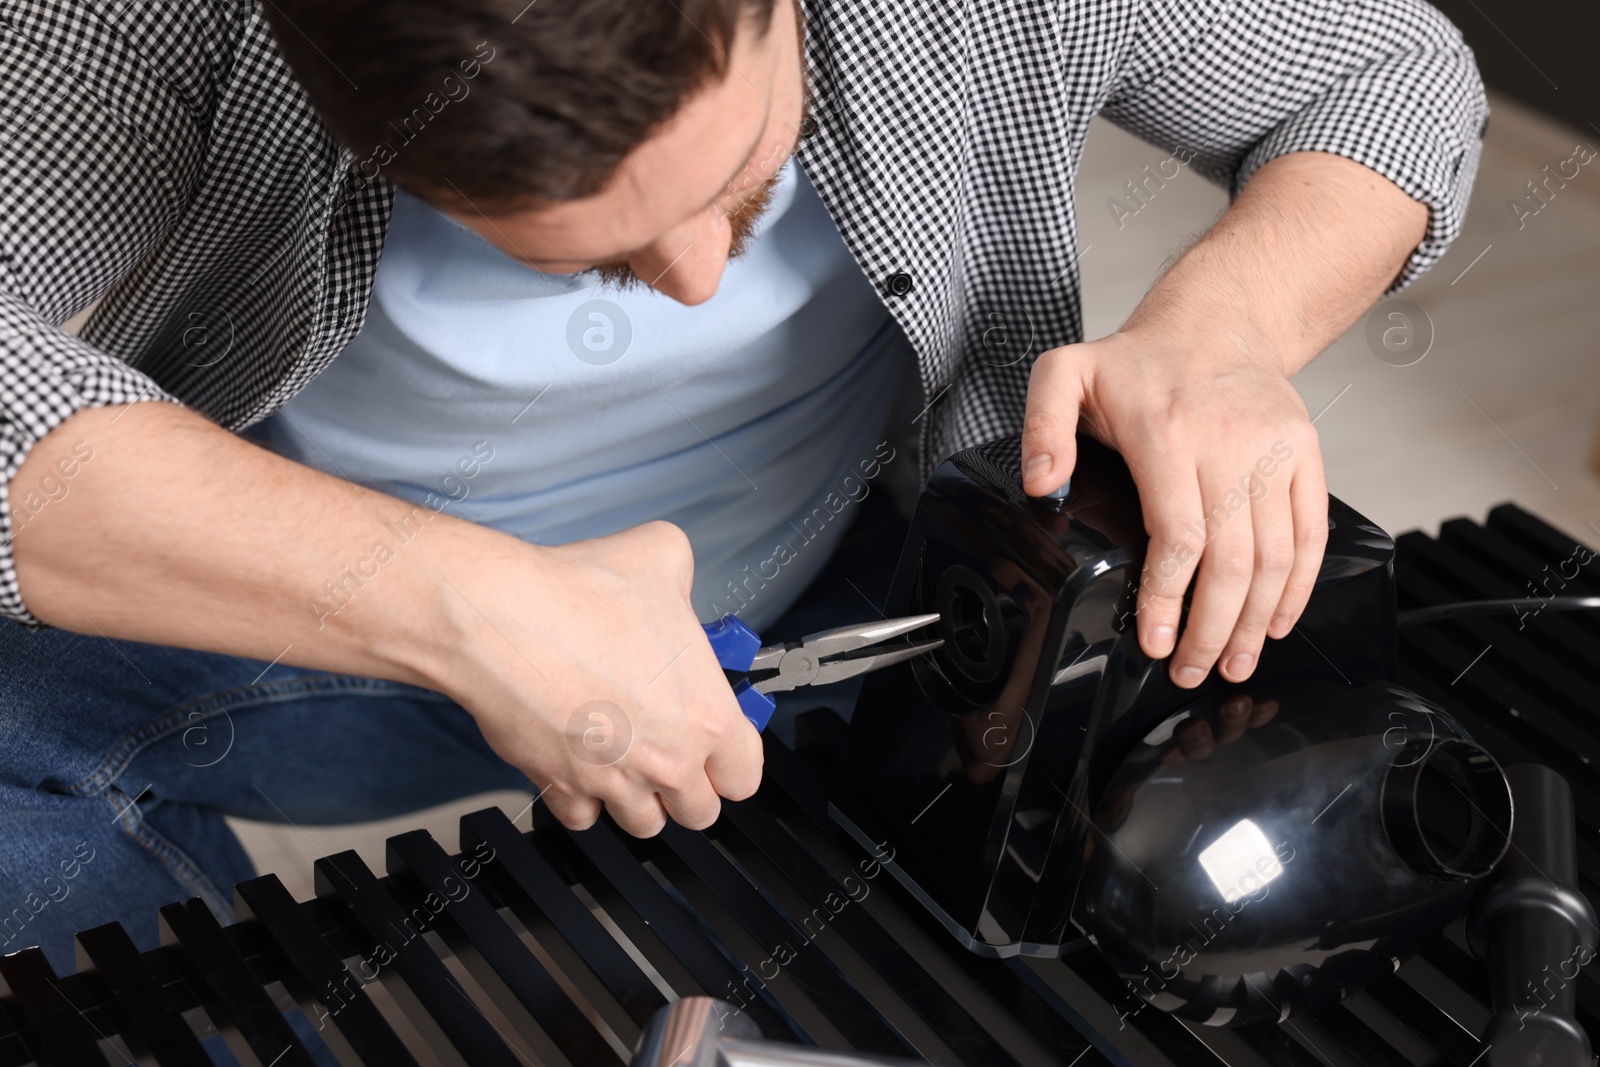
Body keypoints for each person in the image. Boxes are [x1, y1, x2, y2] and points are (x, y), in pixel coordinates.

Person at [0, 0, 1484, 970]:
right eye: (586, 256)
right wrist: (453, 602)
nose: (700, 282)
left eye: (743, 178)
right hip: (313, 626)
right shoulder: (141, 21)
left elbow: (1386, 71)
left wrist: (1224, 333)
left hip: (841, 601)